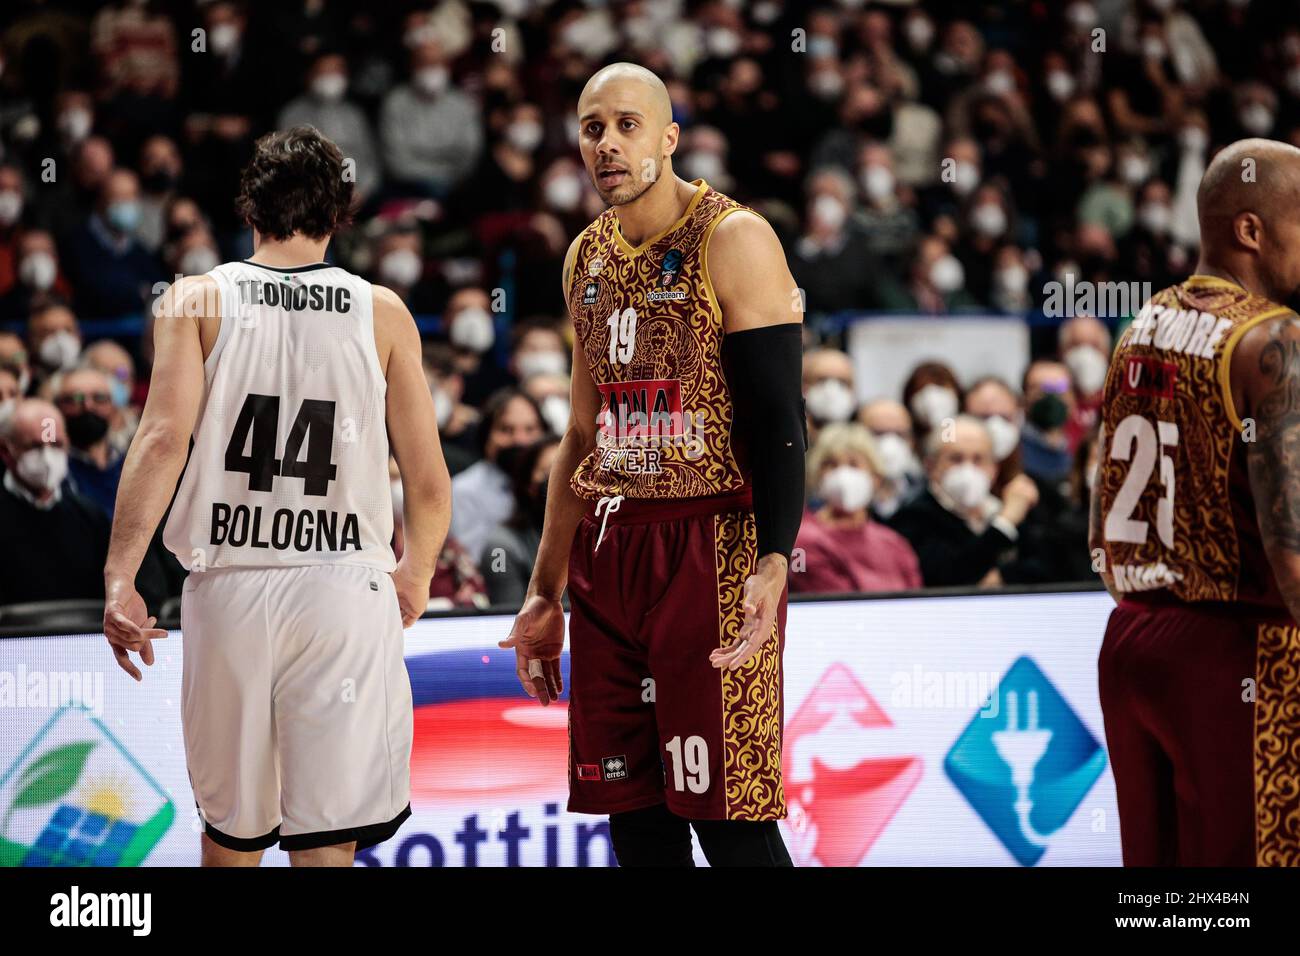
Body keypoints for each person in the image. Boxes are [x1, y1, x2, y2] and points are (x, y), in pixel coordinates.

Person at [100, 127, 451, 868]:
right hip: (342, 592)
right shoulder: (382, 311)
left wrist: (120, 576)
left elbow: (162, 440)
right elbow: (425, 476)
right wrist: (415, 572)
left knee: (232, 838)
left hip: (230, 590)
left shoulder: (195, 299)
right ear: (340, 214)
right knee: (325, 844)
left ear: (249, 207)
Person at [501, 63, 805, 867]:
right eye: (592, 126)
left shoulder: (734, 237)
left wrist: (776, 557)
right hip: (611, 550)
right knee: (634, 820)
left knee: (730, 820)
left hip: (712, 544)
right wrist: (543, 591)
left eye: (627, 124)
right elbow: (578, 433)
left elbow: (780, 417)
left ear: (669, 139)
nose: (606, 143)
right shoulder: (584, 258)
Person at [1094, 138, 1300, 867]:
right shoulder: (1272, 338)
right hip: (1239, 651)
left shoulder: (1140, 323)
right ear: (1251, 230)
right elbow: (1293, 556)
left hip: (1131, 641)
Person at [888, 414, 1038, 587]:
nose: (968, 469)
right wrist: (1004, 524)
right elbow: (948, 576)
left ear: (994, 468)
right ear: (931, 466)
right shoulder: (914, 518)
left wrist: (1004, 577)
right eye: (956, 459)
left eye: (978, 459)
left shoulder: (1003, 508)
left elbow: (1045, 568)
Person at [792, 423, 921, 594]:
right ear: (817, 474)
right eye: (831, 465)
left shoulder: (895, 543)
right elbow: (839, 603)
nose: (843, 474)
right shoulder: (802, 541)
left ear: (875, 477)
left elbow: (916, 600)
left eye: (854, 464)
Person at [480, 435, 560, 607]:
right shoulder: (499, 548)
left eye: (569, 473)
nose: (562, 484)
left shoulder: (600, 537)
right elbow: (506, 617)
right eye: (550, 473)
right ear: (527, 484)